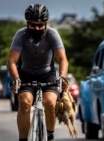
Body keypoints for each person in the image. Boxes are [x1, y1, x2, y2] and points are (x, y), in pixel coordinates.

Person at [6, 3, 68, 141]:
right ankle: (23, 138)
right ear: (27, 23)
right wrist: (16, 78)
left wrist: (62, 77)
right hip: (25, 73)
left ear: (46, 23)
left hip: (47, 73)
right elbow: (11, 61)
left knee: (50, 103)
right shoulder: (21, 35)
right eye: (33, 25)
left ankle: (50, 135)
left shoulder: (52, 34)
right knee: (25, 102)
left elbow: (62, 59)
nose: (37, 28)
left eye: (40, 25)